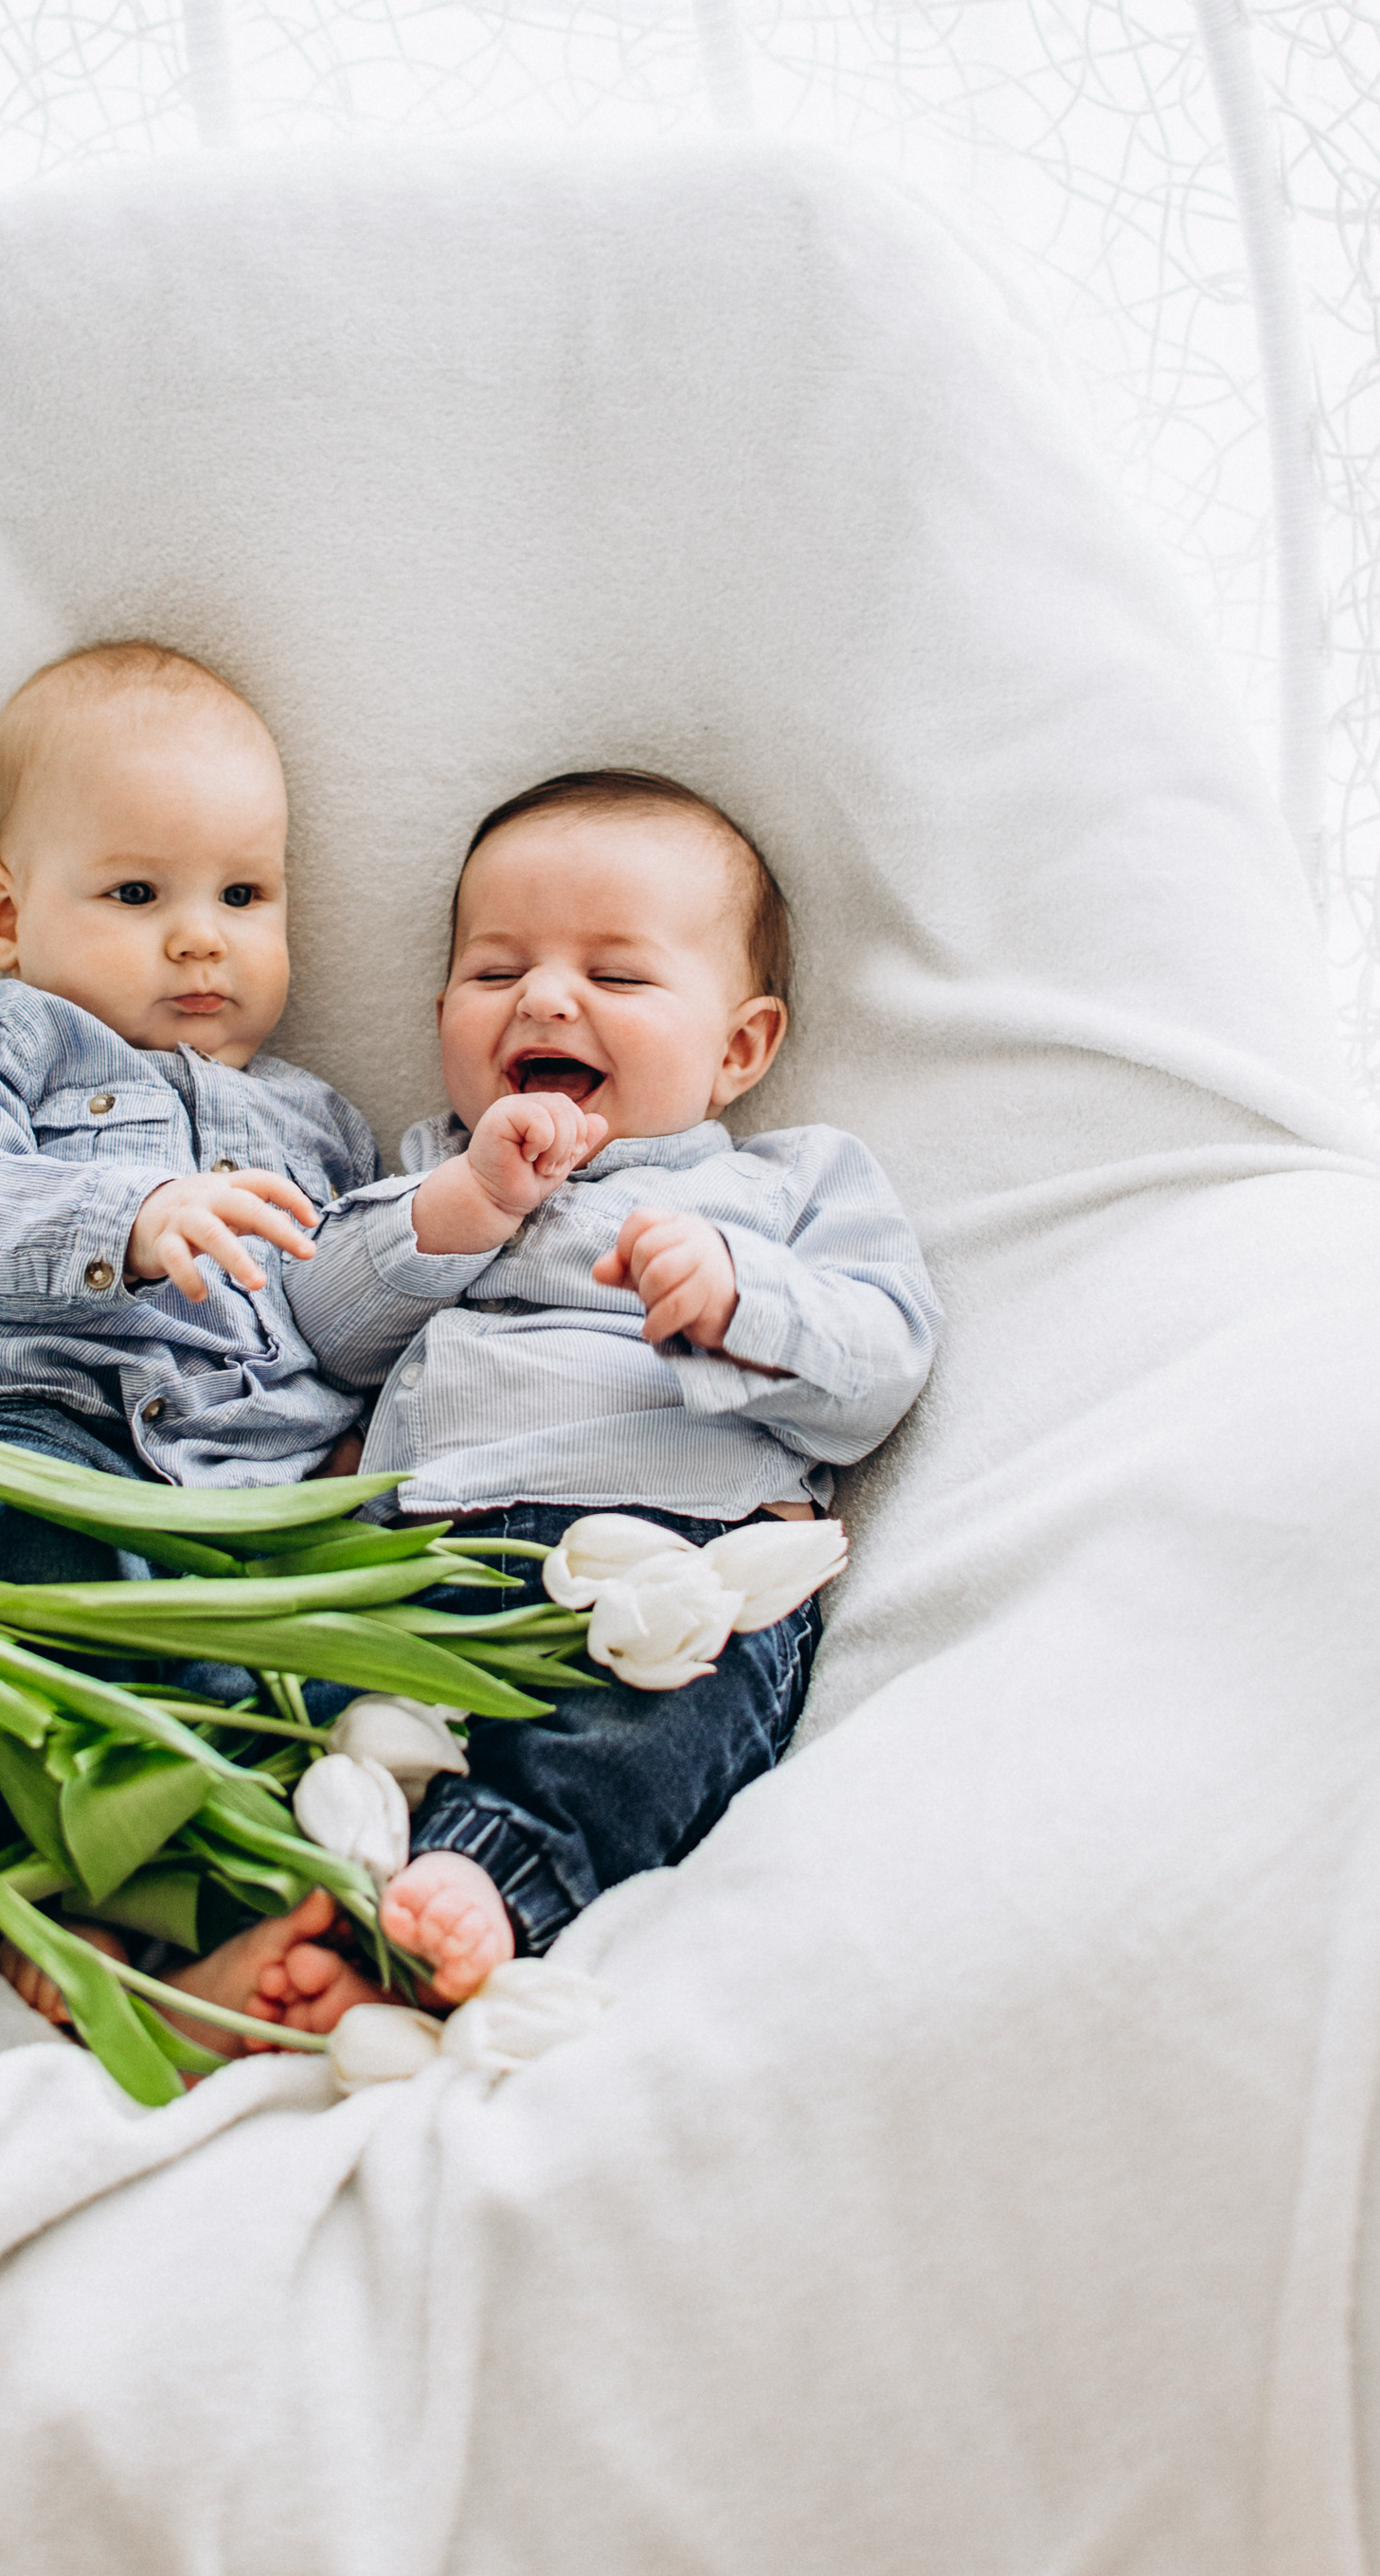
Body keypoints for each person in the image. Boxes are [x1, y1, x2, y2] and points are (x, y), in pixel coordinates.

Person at [255, 764, 941, 2021]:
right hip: (422, 1556)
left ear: (741, 1047)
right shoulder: (431, 1170)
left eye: (616, 977)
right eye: (496, 971)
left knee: (664, 1725)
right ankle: (315, 1877)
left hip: (668, 1571)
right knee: (275, 1686)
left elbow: (884, 1361)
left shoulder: (784, 1189)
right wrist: (461, 1208)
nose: (547, 998)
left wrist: (743, 1294)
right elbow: (321, 1320)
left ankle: (492, 1877)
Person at [0, 636, 380, 2030]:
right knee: (30, 1595)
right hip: (2, 1435)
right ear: (6, 917)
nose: (201, 936)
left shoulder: (315, 1124)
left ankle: (204, 1902)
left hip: (219, 1504)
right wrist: (126, 1215)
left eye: (244, 894)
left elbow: (342, 1316)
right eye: (137, 893)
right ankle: (88, 1904)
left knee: (271, 1671)